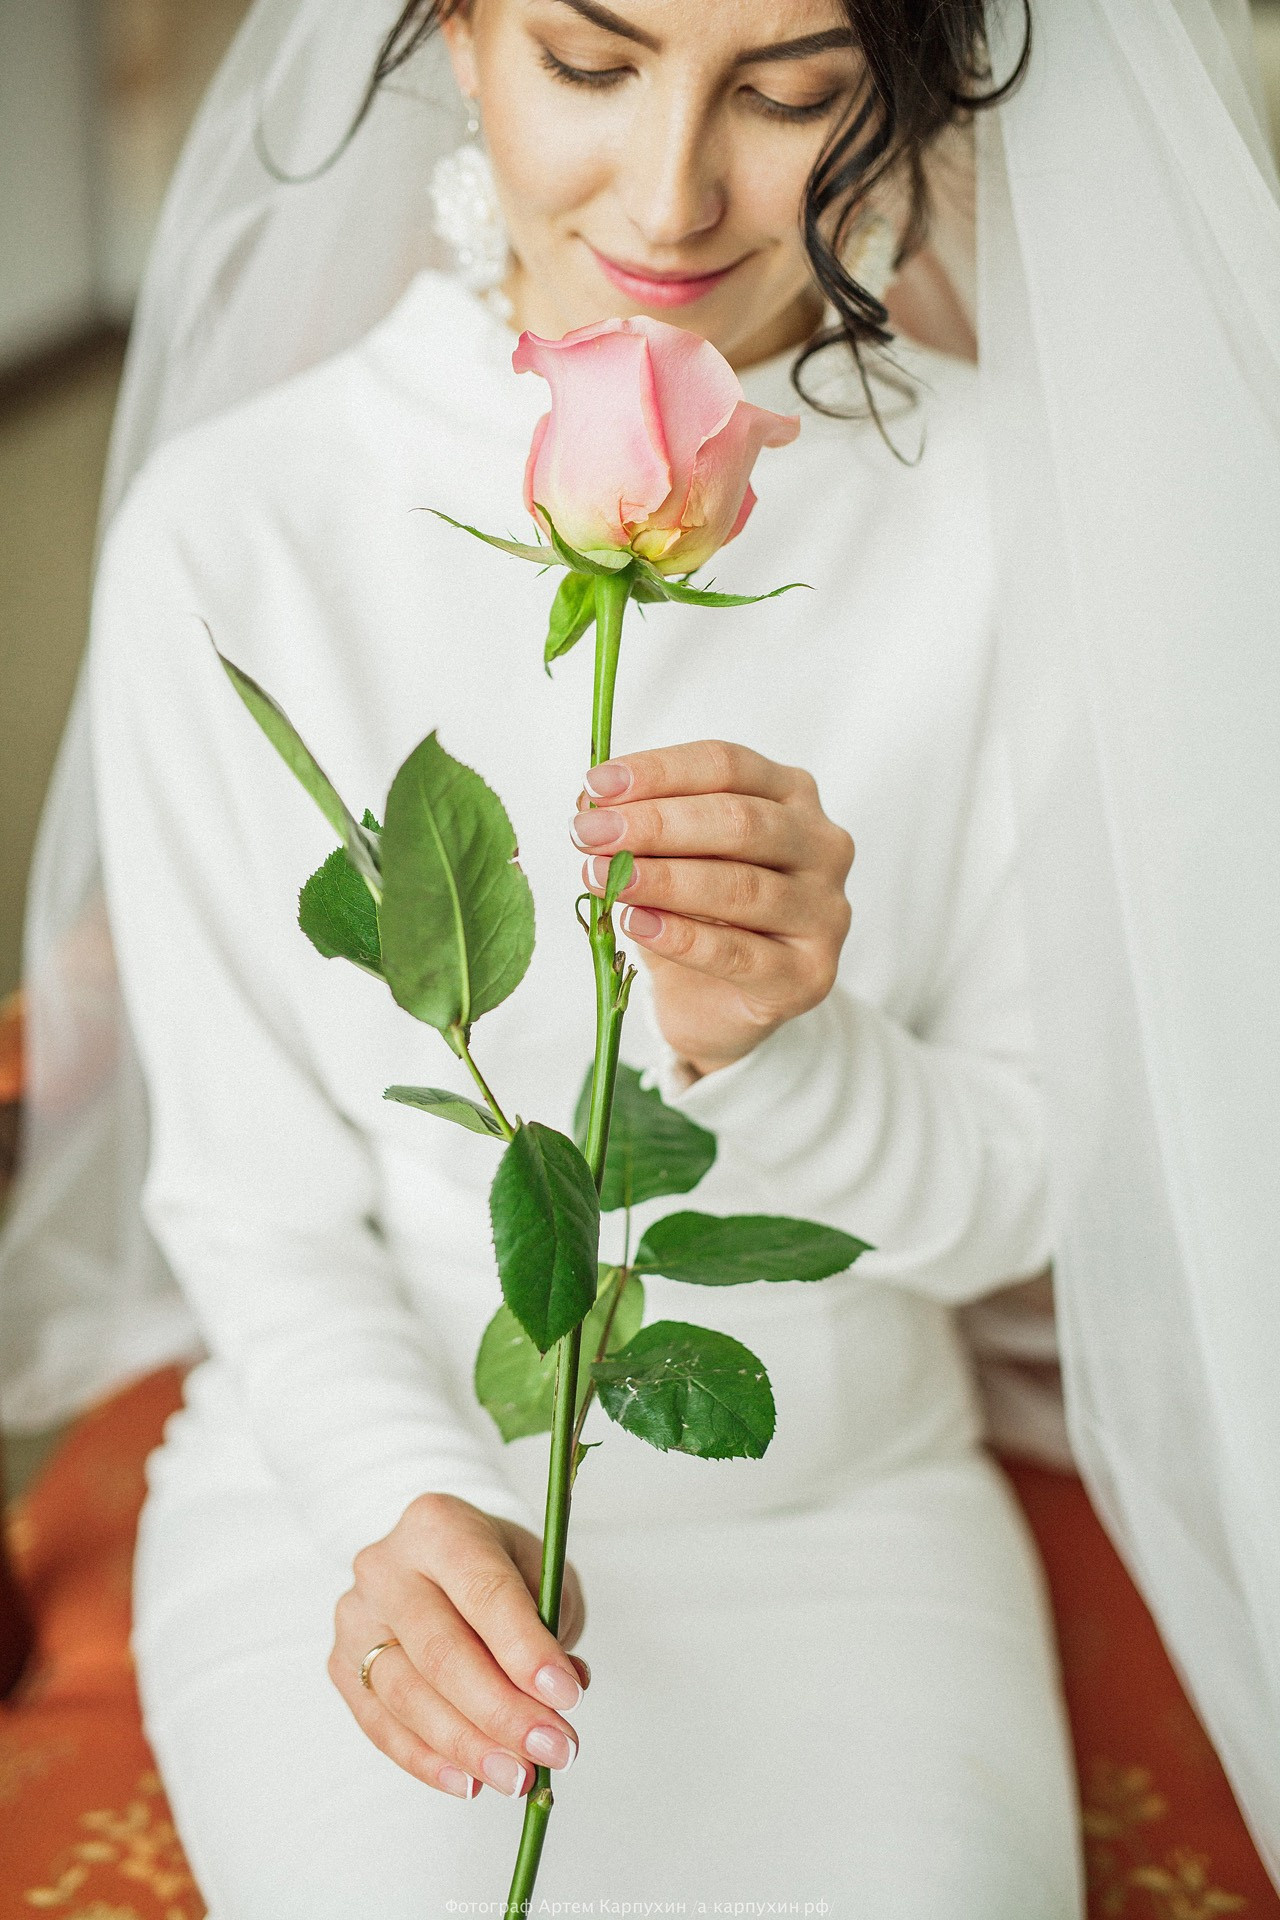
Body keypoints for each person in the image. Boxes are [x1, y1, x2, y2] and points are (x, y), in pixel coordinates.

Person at [6, 0, 1280, 1913]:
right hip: (358, 1504)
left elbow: (1015, 1201)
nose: (673, 193)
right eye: (591, 67)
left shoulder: (1044, 517)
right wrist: (397, 1506)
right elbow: (253, 1210)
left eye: (790, 95)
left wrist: (794, 1042)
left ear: (916, 96)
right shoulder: (236, 533)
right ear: (453, 36)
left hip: (843, 1509)